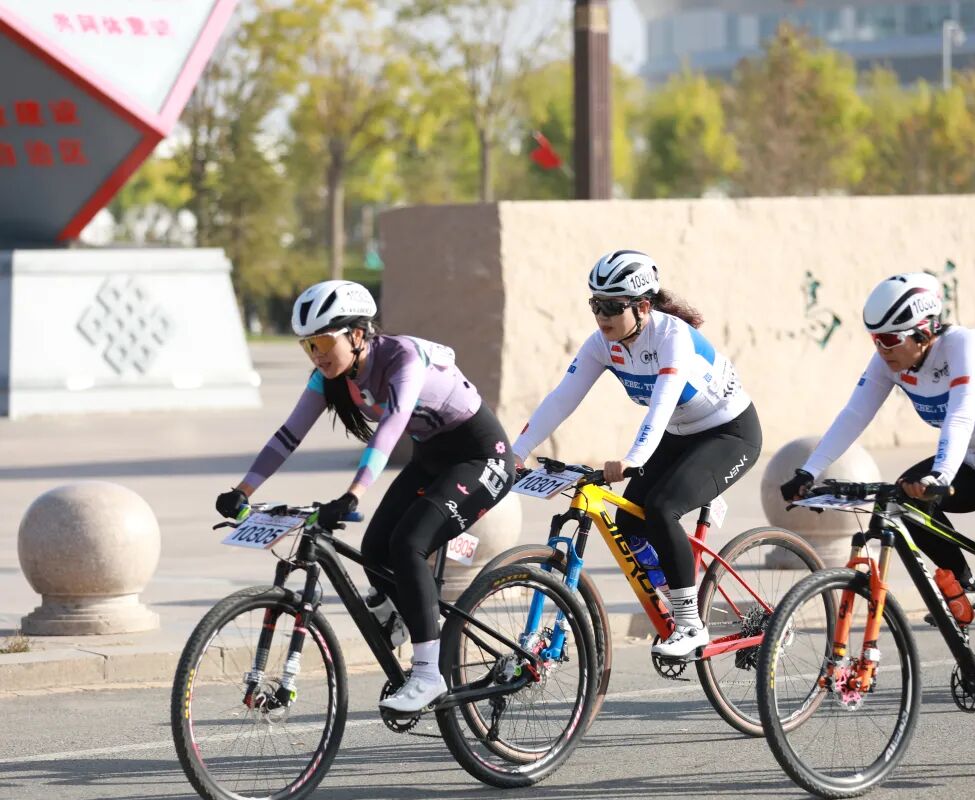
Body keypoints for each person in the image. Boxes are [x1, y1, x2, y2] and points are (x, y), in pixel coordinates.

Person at [779, 272, 975, 744]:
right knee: (903, 499)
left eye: (889, 339)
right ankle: (962, 586)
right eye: (875, 339)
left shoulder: (965, 347)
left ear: (924, 331)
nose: (882, 349)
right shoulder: (892, 359)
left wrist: (940, 476)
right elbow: (855, 414)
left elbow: (960, 415)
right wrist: (808, 471)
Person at [216, 280, 512, 713]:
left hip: (481, 456)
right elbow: (288, 435)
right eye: (307, 346)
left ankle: (428, 675)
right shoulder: (331, 378)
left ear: (357, 334)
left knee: (408, 543)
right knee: (375, 549)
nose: (316, 354)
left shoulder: (403, 357)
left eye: (322, 342)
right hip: (432, 457)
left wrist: (354, 493)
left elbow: (391, 427)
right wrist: (242, 490)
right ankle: (407, 618)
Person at [512, 250, 762, 659]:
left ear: (643, 307)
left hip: (729, 433)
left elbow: (661, 406)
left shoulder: (672, 338)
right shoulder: (602, 344)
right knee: (629, 521)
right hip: (679, 434)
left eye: (612, 306)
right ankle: (670, 591)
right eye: (595, 304)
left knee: (662, 508)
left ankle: (690, 624)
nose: (601, 316)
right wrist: (517, 451)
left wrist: (633, 459)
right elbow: (561, 399)